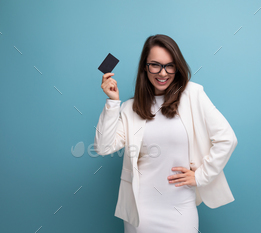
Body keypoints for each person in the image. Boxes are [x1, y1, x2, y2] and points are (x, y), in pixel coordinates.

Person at [94, 34, 238, 233]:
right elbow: (102, 147)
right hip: (141, 211)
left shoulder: (193, 95)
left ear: (177, 67)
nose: (163, 73)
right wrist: (112, 103)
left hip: (181, 208)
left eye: (170, 65)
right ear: (145, 67)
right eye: (155, 65)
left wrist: (201, 176)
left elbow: (227, 139)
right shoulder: (130, 108)